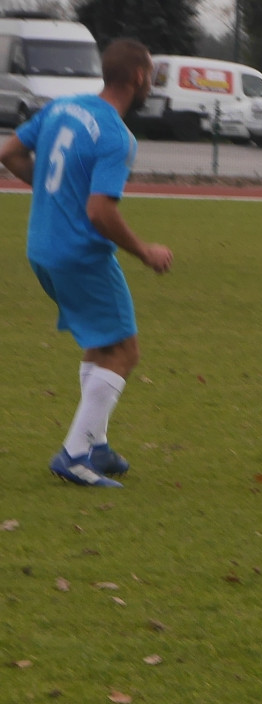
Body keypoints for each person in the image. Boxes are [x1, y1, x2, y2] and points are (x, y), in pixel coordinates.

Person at [0, 38, 174, 487]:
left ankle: (96, 444)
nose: (151, 83)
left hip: (42, 248)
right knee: (126, 352)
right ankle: (75, 455)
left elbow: (9, 153)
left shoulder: (63, 107)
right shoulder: (116, 136)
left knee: (101, 344)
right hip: (80, 254)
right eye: (151, 75)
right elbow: (99, 212)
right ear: (138, 76)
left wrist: (55, 191)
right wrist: (145, 251)